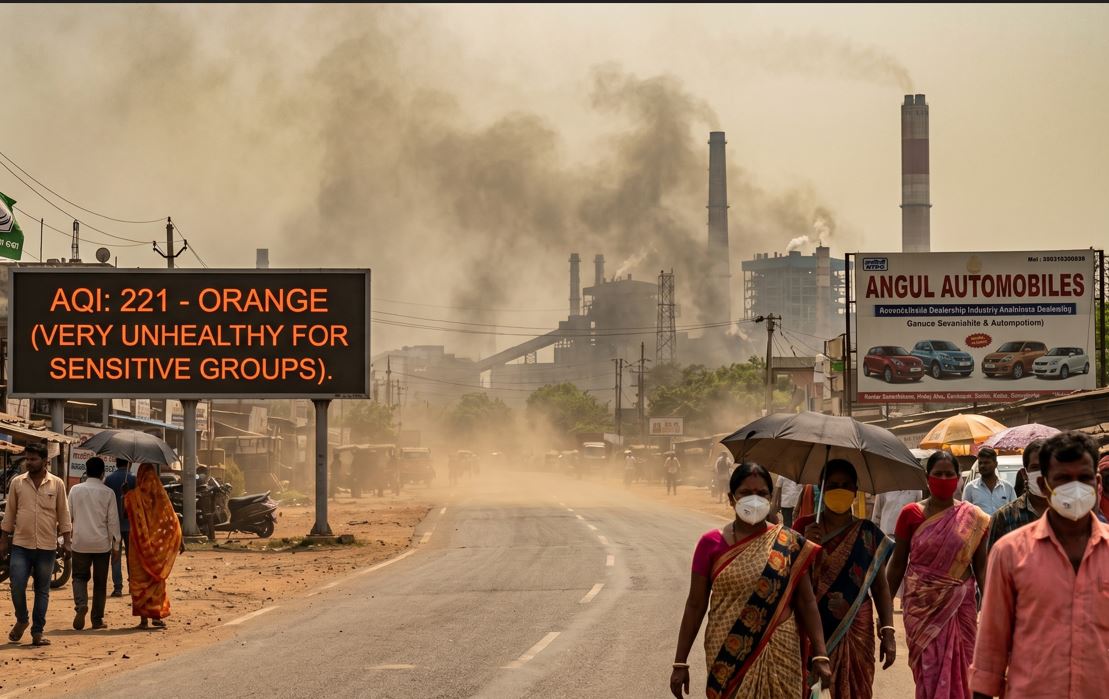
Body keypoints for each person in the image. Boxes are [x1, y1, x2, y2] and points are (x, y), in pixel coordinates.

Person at [670, 462, 831, 699]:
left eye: (762, 493)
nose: (754, 500)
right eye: (746, 493)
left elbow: (806, 603)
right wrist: (680, 662)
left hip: (781, 651)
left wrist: (820, 654)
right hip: (727, 655)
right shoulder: (710, 544)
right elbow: (695, 605)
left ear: (770, 498)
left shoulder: (788, 542)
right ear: (731, 498)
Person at [969, 431, 1109, 699]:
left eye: (1084, 478)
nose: (1075, 487)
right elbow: (990, 648)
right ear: (1044, 485)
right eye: (1064, 479)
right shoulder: (1009, 553)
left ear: (1097, 481)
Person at [885, 450, 989, 699]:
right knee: (928, 671)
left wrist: (991, 608)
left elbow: (982, 567)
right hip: (921, 608)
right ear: (927, 477)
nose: (944, 478)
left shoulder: (974, 518)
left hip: (960, 606)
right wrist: (885, 614)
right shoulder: (910, 514)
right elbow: (898, 563)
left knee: (965, 669)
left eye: (949, 474)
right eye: (938, 474)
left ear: (958, 478)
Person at [793, 460, 897, 699]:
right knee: (807, 689)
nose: (839, 490)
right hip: (810, 624)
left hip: (856, 626)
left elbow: (880, 588)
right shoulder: (803, 527)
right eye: (832, 485)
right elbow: (790, 579)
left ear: (855, 490)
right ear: (822, 488)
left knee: (857, 688)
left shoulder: (868, 533)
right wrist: (805, 546)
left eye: (845, 485)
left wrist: (888, 631)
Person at [0, 443, 72, 646]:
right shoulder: (17, 483)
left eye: (33, 459)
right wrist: (4, 539)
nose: (29, 463)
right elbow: (10, 513)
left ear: (44, 461)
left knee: (42, 590)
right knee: (16, 586)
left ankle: (38, 632)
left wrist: (67, 541)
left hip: (47, 547)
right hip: (21, 545)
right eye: (27, 459)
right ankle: (22, 619)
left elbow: (64, 514)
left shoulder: (57, 484)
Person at [123, 463, 182, 629]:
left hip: (138, 547)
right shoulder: (161, 497)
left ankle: (143, 619)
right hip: (157, 549)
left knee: (139, 581)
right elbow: (172, 520)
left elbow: (125, 513)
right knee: (156, 580)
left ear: (139, 476)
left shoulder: (133, 496)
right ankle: (156, 616)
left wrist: (126, 494)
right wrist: (177, 540)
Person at [67, 457, 121, 631]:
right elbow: (113, 522)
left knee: (79, 577)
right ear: (102, 473)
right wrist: (116, 546)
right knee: (100, 583)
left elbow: (69, 518)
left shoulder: (75, 490)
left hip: (80, 542)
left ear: (86, 471)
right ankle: (97, 620)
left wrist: (65, 540)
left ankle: (81, 604)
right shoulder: (108, 493)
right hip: (101, 545)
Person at [986, 439, 1047, 551]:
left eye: (1047, 467)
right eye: (1035, 468)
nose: (1042, 473)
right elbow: (993, 564)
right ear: (1024, 474)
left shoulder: (1069, 514)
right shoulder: (1004, 517)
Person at [104, 459, 135, 597]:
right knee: (131, 557)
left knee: (115, 555)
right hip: (131, 525)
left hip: (114, 525)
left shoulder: (109, 479)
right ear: (130, 463)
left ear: (116, 463)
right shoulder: (134, 479)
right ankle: (133, 585)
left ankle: (118, 587)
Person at [961, 447, 1016, 516]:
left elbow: (1015, 513)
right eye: (980, 463)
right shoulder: (970, 488)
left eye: (986, 463)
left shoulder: (1008, 488)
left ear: (995, 464)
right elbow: (964, 515)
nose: (982, 466)